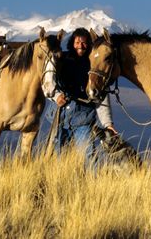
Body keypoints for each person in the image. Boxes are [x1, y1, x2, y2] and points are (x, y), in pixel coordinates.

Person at [47, 27, 117, 162]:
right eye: (77, 42)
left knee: (88, 156)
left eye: (84, 43)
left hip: (83, 119)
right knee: (58, 158)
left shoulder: (94, 65)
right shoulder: (61, 60)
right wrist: (56, 97)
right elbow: (48, 83)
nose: (81, 46)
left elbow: (101, 97)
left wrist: (108, 123)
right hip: (61, 118)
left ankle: (92, 182)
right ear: (72, 43)